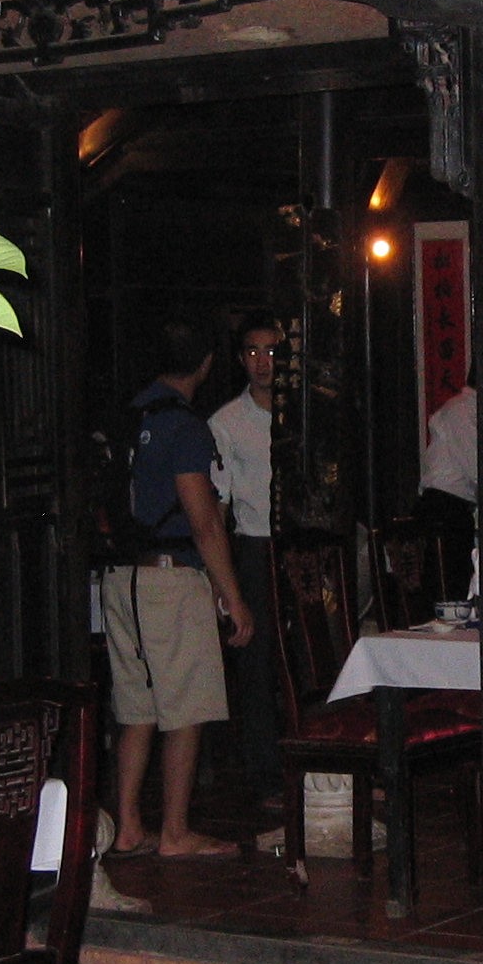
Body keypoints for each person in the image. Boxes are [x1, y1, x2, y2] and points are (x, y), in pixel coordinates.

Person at [102, 319, 254, 860]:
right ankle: (174, 832)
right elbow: (203, 519)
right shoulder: (184, 425)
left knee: (136, 708)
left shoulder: (129, 414)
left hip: (121, 577)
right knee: (186, 709)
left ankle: (128, 826)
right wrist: (232, 595)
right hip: (170, 578)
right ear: (207, 363)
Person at [209, 312, 283, 810]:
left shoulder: (307, 411)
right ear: (240, 359)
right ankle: (267, 776)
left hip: (302, 546)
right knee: (256, 665)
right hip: (255, 546)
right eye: (254, 352)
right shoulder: (227, 422)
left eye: (272, 351)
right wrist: (223, 579)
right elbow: (219, 505)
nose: (263, 362)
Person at [414, 369, 477, 544]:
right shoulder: (461, 410)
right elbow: (476, 467)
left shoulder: (465, 409)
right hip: (444, 507)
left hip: (452, 508)